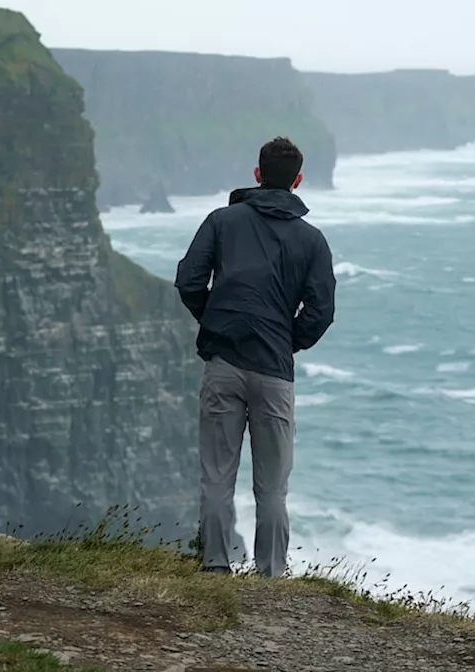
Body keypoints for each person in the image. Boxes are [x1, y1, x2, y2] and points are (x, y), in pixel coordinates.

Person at [173, 136, 337, 577]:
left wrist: (218, 321)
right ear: (298, 181)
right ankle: (270, 575)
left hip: (223, 365)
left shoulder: (221, 222)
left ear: (257, 174)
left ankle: (214, 567)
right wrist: (287, 340)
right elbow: (322, 312)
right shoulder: (313, 240)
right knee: (272, 489)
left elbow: (189, 280)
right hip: (274, 373)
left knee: (216, 476)